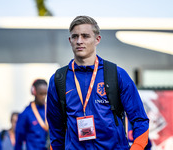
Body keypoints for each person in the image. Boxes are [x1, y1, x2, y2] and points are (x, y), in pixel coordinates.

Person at [47, 16, 149, 150]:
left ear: (97, 39)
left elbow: (140, 119)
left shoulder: (116, 74)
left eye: (85, 36)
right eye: (75, 36)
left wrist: (137, 147)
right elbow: (55, 130)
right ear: (70, 40)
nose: (79, 41)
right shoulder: (58, 79)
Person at [15, 79, 49, 150]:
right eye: (41, 94)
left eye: (45, 94)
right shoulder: (26, 114)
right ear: (34, 92)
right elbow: (19, 140)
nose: (43, 97)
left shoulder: (50, 110)